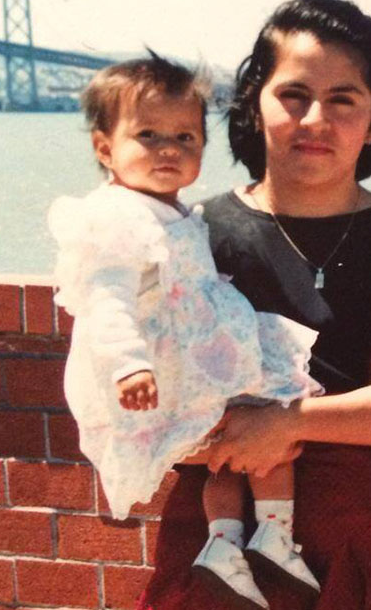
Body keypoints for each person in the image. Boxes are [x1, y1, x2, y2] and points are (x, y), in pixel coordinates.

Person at [137, 0, 371, 610]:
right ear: (255, 105)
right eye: (294, 94)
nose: (315, 118)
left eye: (343, 99)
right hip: (218, 547)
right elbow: (146, 390)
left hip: (354, 542)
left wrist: (285, 425)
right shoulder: (192, 233)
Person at [49, 54, 327, 610]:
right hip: (161, 373)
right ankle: (258, 535)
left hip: (198, 365)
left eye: (186, 137)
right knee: (257, 433)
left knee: (240, 440)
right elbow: (106, 301)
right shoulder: (115, 220)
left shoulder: (174, 213)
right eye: (147, 135)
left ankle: (238, 543)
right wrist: (129, 363)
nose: (169, 149)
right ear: (105, 149)